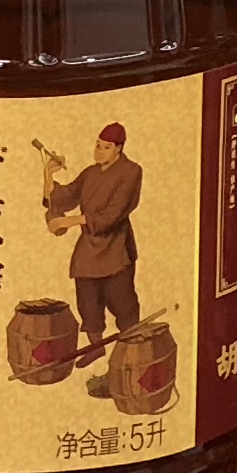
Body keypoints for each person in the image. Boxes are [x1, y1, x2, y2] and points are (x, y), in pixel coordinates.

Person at [45, 125, 144, 355]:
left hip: (116, 248)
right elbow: (62, 198)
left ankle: (131, 353)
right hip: (88, 249)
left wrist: (68, 221)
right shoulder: (90, 173)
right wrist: (49, 173)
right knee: (88, 302)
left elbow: (112, 215)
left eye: (106, 147)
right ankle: (95, 348)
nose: (99, 151)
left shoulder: (131, 171)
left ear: (118, 149)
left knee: (122, 303)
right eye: (97, 146)